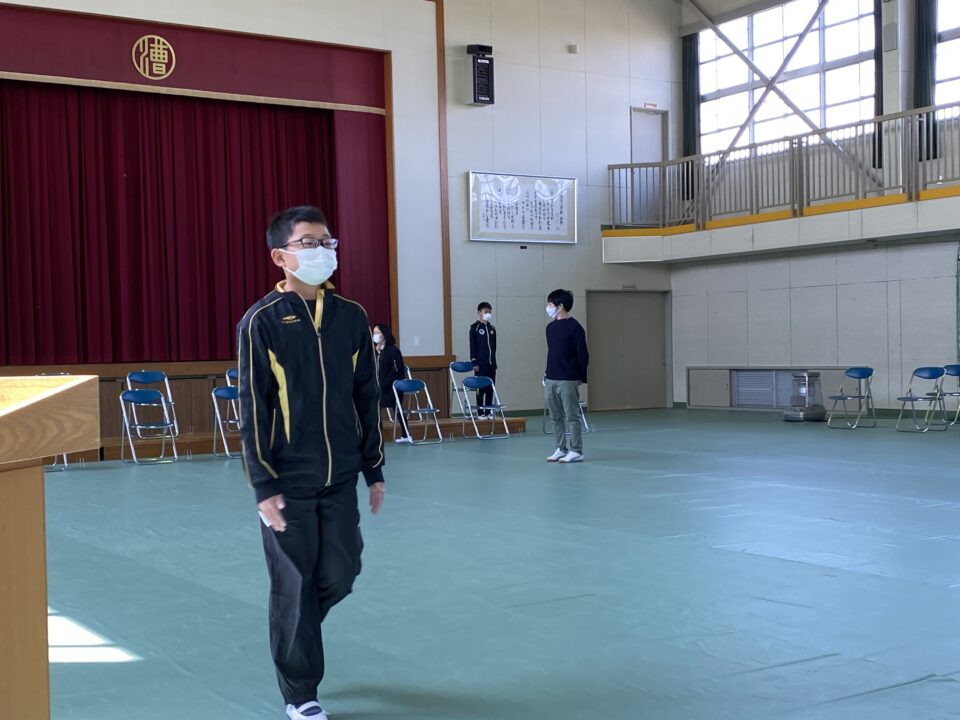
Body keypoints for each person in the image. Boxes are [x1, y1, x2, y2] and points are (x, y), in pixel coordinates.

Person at [237, 205, 385, 720]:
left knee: (342, 572)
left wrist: (374, 468)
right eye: (309, 242)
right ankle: (301, 693)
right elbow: (253, 408)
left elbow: (366, 396)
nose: (322, 250)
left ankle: (293, 628)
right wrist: (263, 485)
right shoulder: (261, 322)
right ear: (280, 256)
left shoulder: (352, 316)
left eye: (327, 241)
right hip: (288, 481)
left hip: (339, 475)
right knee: (294, 582)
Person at [543, 288, 589, 464]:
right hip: (551, 377)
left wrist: (580, 376)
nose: (548, 307)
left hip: (568, 378)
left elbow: (583, 355)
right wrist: (546, 373)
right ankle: (561, 448)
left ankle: (576, 450)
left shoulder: (575, 327)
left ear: (560, 306)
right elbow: (553, 353)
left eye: (551, 304)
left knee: (572, 416)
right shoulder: (550, 328)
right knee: (555, 416)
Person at [373, 323, 410, 442]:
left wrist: (383, 384)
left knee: (396, 408)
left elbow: (396, 371)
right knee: (375, 407)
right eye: (374, 333)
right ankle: (377, 434)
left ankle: (406, 434)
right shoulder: (379, 351)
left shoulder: (393, 350)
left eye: (377, 333)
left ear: (384, 334)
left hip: (392, 387)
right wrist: (378, 352)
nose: (375, 335)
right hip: (382, 386)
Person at [469, 301, 498, 417]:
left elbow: (494, 347)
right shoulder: (474, 328)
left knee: (490, 388)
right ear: (479, 312)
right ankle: (480, 412)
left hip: (491, 364)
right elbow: (473, 346)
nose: (488, 314)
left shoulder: (492, 329)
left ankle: (488, 411)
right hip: (480, 365)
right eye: (485, 312)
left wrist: (494, 362)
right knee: (480, 389)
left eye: (489, 312)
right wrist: (474, 361)